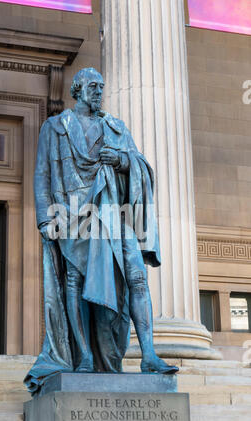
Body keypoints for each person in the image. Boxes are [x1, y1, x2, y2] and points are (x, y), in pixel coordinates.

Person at [24, 68, 178, 395]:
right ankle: (83, 355)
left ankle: (149, 354)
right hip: (70, 212)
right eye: (94, 87)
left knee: (136, 273)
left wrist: (121, 159)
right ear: (78, 90)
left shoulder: (115, 127)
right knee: (74, 280)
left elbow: (141, 166)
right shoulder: (55, 127)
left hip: (113, 212)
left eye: (102, 87)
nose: (99, 92)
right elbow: (42, 175)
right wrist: (43, 219)